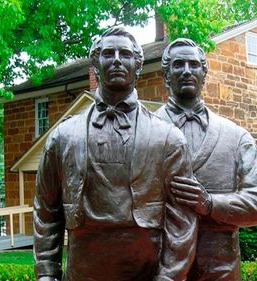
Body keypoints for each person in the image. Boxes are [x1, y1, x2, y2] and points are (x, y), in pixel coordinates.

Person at [33, 27, 198, 281]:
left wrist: (170, 276)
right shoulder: (63, 136)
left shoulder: (168, 138)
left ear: (138, 66)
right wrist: (46, 272)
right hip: (82, 269)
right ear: (95, 65)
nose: (117, 60)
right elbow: (46, 211)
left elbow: (182, 219)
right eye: (108, 53)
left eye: (126, 54)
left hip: (146, 269)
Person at [155, 38, 257, 281]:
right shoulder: (144, 133)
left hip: (220, 269)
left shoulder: (236, 137)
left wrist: (210, 204)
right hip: (160, 267)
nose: (187, 71)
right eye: (178, 65)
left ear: (203, 73)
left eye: (193, 65)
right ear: (166, 75)